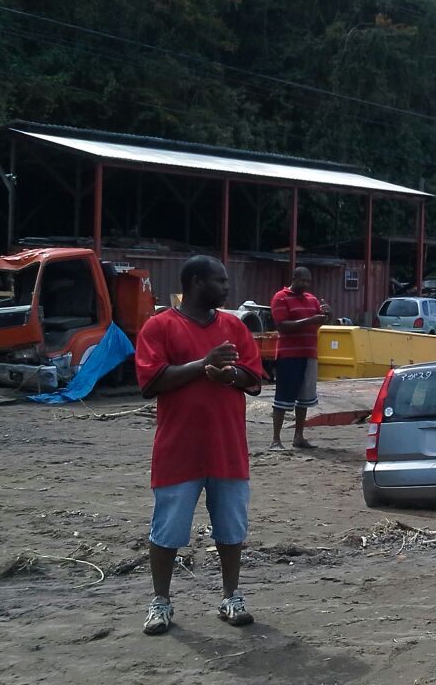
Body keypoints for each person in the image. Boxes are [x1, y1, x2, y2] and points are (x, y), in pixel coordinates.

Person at [135, 255, 262, 636]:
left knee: (231, 529)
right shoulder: (159, 327)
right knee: (167, 531)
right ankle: (160, 602)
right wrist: (201, 365)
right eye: (219, 281)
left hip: (227, 447)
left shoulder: (234, 327)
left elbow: (253, 377)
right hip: (179, 450)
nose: (227, 288)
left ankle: (231, 596)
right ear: (194, 283)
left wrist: (228, 376)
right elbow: (151, 382)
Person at [270, 266, 331, 450]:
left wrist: (327, 315)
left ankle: (299, 436)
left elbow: (321, 322)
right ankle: (276, 439)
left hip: (309, 354)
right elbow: (282, 326)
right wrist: (309, 321)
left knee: (304, 398)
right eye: (303, 280)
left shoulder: (312, 299)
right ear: (294, 278)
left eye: (308, 281)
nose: (305, 284)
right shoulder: (281, 297)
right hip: (288, 355)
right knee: (282, 397)